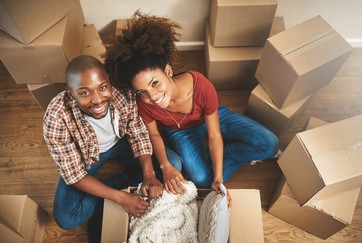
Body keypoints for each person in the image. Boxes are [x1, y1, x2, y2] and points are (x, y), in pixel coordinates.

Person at [105, 11, 279, 199]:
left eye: (155, 83)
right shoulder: (143, 102)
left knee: (269, 144)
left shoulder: (201, 85)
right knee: (202, 181)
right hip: (180, 131)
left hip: (212, 117)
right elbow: (154, 134)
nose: (152, 96)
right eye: (141, 91)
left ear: (168, 71)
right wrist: (166, 166)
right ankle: (214, 160)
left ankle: (213, 158)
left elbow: (214, 134)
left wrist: (219, 178)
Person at [43, 55, 181, 243]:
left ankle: (121, 184)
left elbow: (137, 133)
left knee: (173, 163)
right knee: (67, 218)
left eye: (102, 87)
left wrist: (149, 174)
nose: (98, 99)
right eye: (84, 93)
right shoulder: (56, 117)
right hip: (86, 158)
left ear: (108, 80)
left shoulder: (123, 90)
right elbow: (74, 175)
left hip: (121, 143)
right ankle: (122, 184)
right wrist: (122, 198)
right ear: (71, 95)